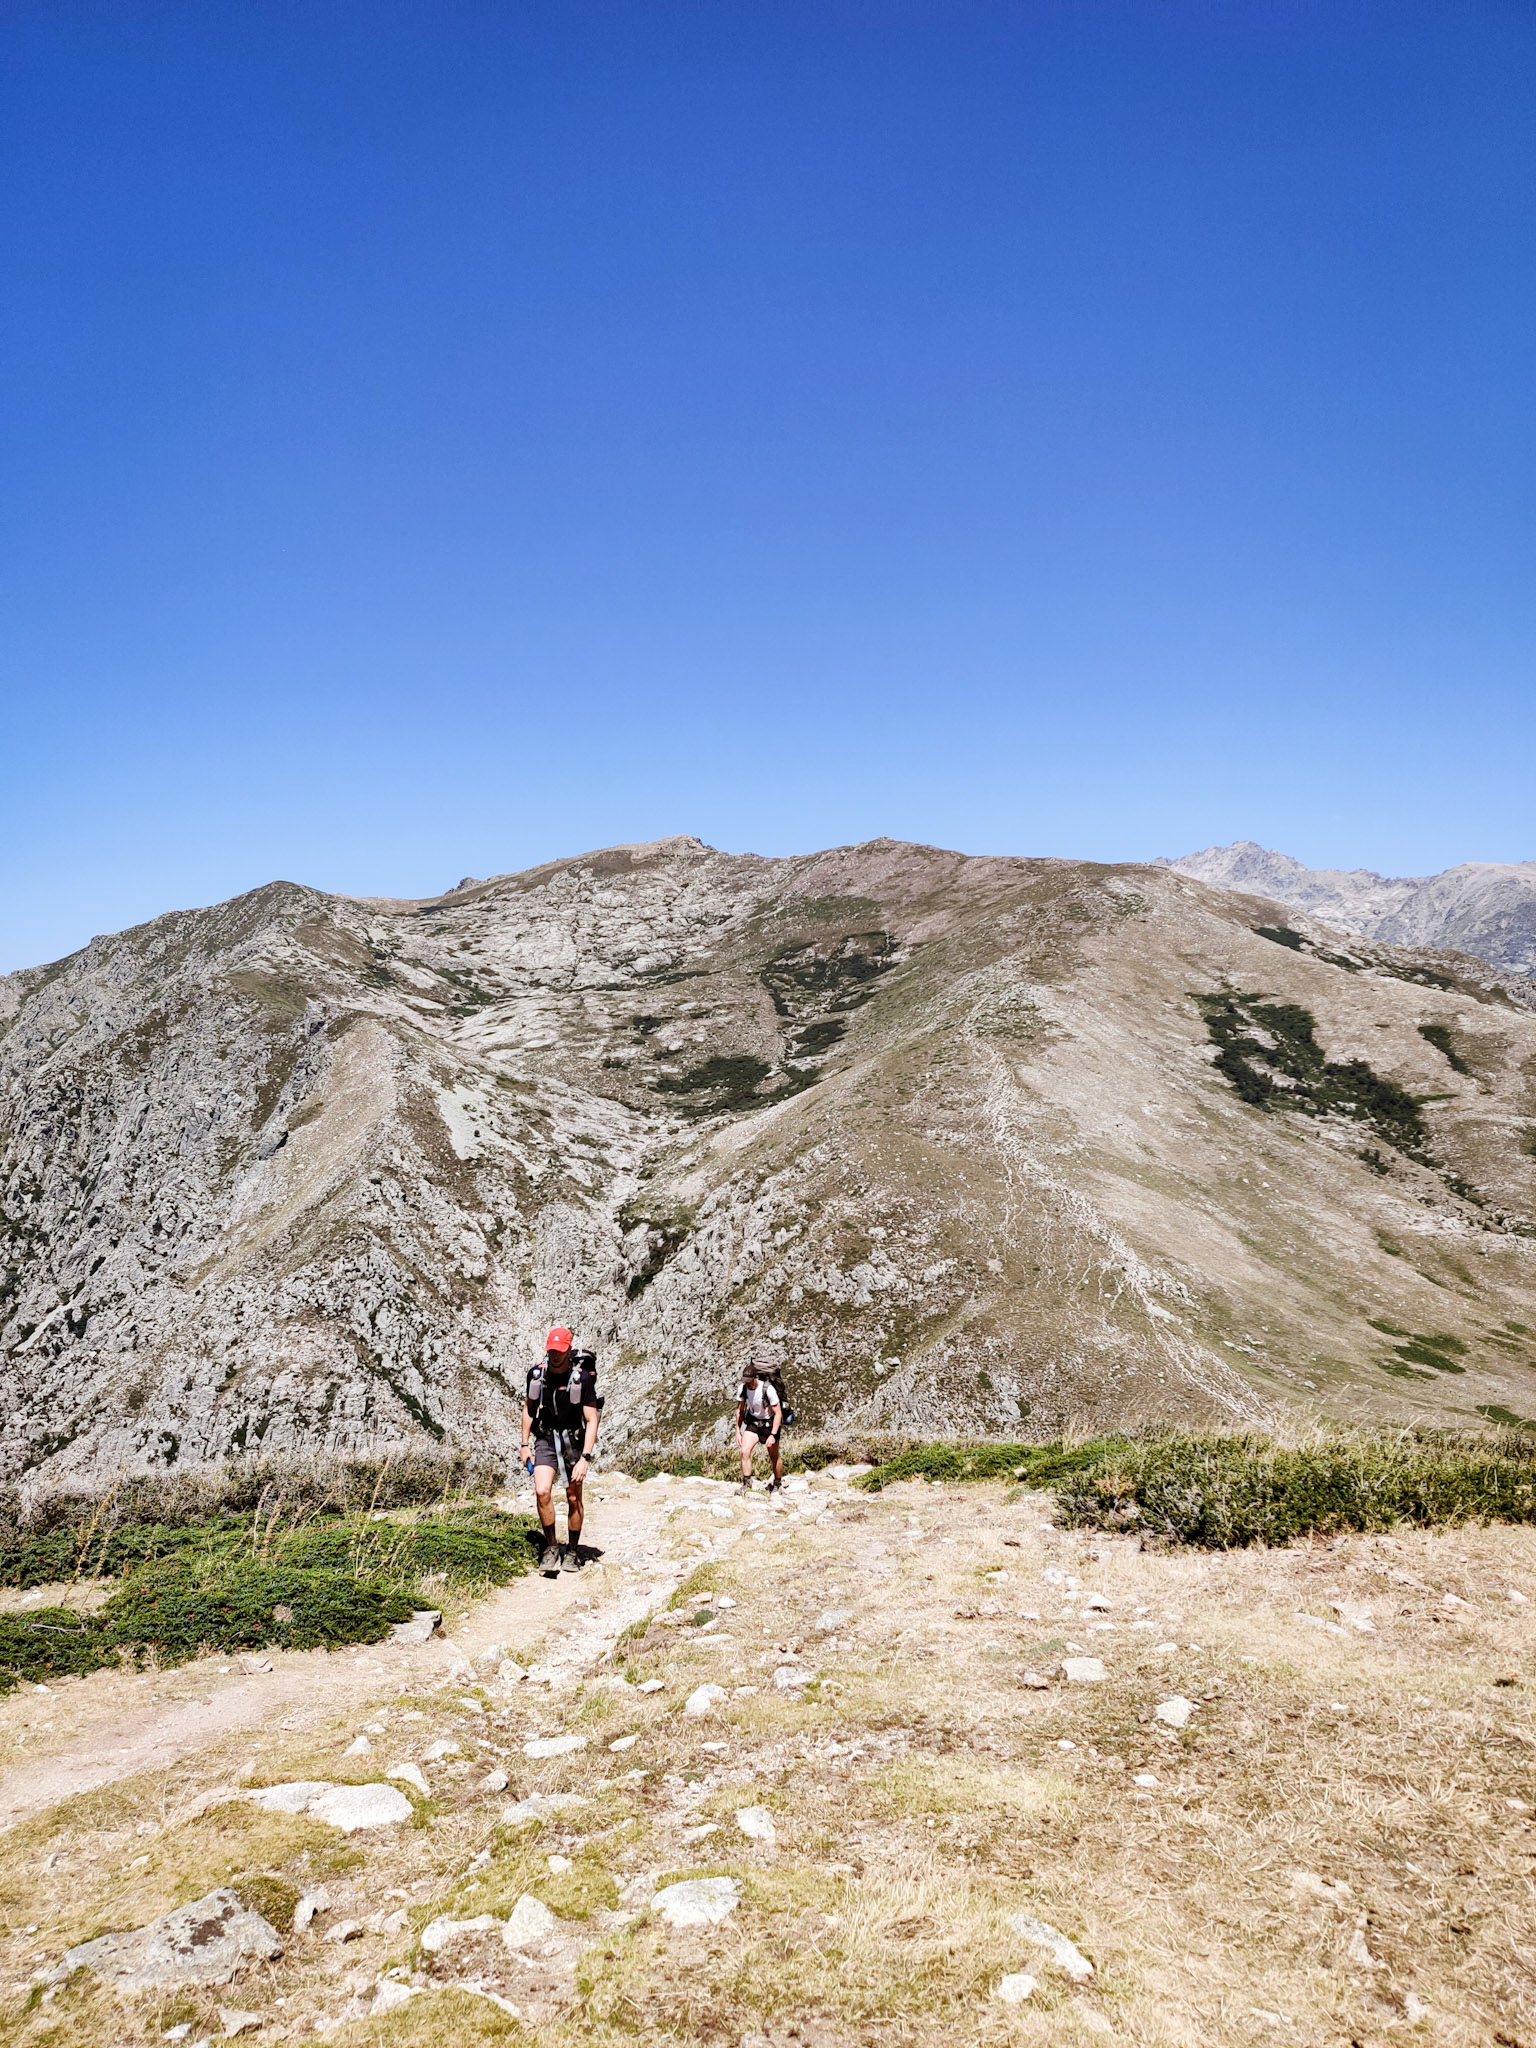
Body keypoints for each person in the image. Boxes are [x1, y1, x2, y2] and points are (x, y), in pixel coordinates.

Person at [521, 1327, 600, 1574]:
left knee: (573, 1498)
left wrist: (585, 1457)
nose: (555, 1355)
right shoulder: (536, 1375)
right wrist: (524, 1444)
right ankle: (552, 1547)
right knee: (542, 1491)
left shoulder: (581, 1379)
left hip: (573, 1442)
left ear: (568, 1351)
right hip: (546, 1438)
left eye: (560, 1351)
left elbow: (592, 1419)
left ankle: (572, 1552)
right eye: (552, 1350)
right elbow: (528, 1408)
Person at [735, 1361, 783, 1495]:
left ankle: (777, 1483)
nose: (748, 1384)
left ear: (756, 1378)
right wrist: (738, 1430)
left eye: (750, 1381)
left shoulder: (768, 1389)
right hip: (754, 1422)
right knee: (744, 1451)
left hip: (769, 1424)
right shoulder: (743, 1389)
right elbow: (740, 1410)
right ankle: (747, 1483)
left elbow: (778, 1413)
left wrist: (773, 1435)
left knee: (773, 1455)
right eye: (746, 1381)